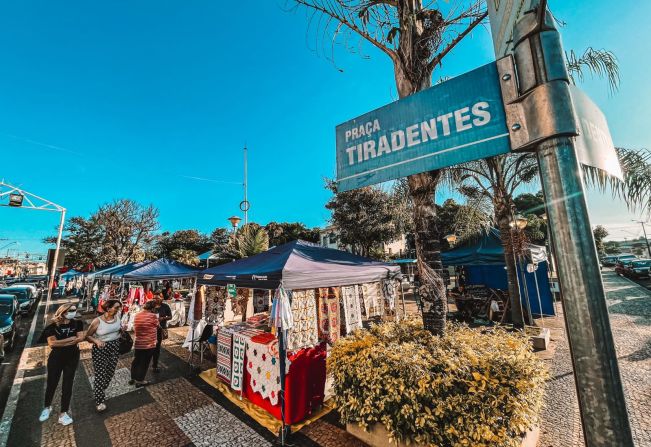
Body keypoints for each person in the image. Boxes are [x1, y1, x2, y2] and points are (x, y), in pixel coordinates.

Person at [38, 304, 84, 426]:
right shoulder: (52, 326)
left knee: (67, 385)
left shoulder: (77, 323)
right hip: (56, 358)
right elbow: (52, 344)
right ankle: (47, 407)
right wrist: (71, 339)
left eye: (75, 310)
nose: (74, 312)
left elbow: (80, 338)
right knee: (52, 383)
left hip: (72, 358)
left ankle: (63, 413)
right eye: (71, 310)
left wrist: (61, 342)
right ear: (63, 312)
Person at [85, 299, 122, 412]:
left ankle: (99, 389)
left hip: (114, 347)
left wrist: (122, 330)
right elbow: (88, 336)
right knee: (100, 373)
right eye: (116, 307)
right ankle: (99, 400)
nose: (118, 310)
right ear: (108, 308)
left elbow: (117, 329)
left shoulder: (118, 316)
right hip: (101, 348)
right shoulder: (97, 321)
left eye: (118, 307)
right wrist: (96, 341)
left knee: (110, 372)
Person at [130, 300, 159, 387]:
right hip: (148, 343)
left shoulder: (137, 315)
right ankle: (140, 380)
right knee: (145, 362)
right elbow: (158, 326)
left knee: (137, 360)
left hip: (138, 342)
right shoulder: (153, 316)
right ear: (153, 308)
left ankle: (133, 377)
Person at [152, 290, 172, 373]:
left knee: (157, 347)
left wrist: (163, 318)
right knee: (150, 347)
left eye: (157, 298)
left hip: (160, 329)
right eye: (154, 298)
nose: (155, 300)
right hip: (151, 329)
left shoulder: (165, 306)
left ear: (161, 298)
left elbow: (170, 317)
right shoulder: (151, 305)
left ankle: (155, 365)